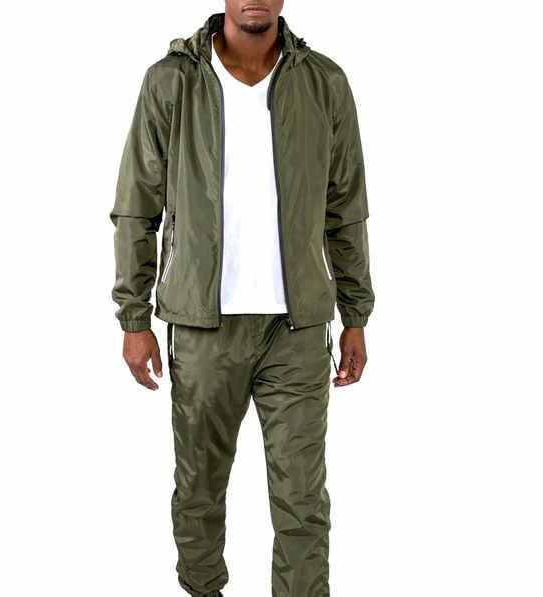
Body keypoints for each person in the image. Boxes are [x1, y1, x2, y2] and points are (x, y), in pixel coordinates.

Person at [110, 2, 374, 595]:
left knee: (303, 499)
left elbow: (346, 206)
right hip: (201, 327)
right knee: (199, 489)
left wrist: (356, 314)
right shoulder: (172, 81)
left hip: (296, 329)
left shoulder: (323, 82)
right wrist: (133, 317)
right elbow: (136, 204)